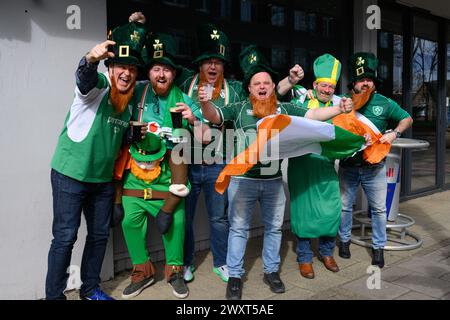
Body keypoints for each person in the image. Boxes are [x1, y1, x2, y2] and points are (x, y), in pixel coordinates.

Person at [198, 45, 354, 300]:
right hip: (242, 180)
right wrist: (204, 102)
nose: (262, 86)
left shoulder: (283, 109)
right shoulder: (238, 109)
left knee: (274, 229)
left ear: (273, 87)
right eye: (257, 83)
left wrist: (339, 109)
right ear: (249, 88)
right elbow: (214, 115)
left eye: (267, 83)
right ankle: (235, 277)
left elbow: (314, 114)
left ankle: (271, 272)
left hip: (272, 183)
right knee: (238, 229)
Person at [46, 22, 146, 300]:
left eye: (132, 69)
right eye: (120, 67)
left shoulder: (127, 100)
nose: (126, 73)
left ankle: (90, 289)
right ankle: (54, 296)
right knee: (65, 238)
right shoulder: (99, 85)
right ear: (110, 69)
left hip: (102, 181)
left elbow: (113, 133)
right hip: (70, 174)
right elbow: (84, 79)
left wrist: (131, 135)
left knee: (100, 236)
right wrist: (90, 59)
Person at [120, 32, 206, 299]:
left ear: (173, 74)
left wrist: (193, 119)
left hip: (171, 174)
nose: (161, 73)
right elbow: (117, 115)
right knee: (129, 223)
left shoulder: (182, 98)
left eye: (167, 69)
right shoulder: (138, 91)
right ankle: (142, 271)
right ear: (150, 71)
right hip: (136, 172)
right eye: (157, 68)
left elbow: (206, 137)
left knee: (177, 222)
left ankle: (175, 272)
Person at [337, 52, 413, 268]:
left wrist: (394, 133)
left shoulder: (385, 102)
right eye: (361, 80)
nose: (366, 83)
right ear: (354, 83)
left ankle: (378, 248)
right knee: (344, 207)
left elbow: (407, 118)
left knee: (379, 209)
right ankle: (343, 242)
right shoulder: (343, 102)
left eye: (369, 79)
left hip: (374, 167)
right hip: (348, 166)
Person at [289, 54, 344, 279]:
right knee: (303, 210)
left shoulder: (341, 105)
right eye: (323, 85)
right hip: (302, 165)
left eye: (331, 86)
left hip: (326, 166)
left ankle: (326, 252)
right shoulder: (301, 100)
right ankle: (304, 257)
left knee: (331, 209)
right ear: (315, 85)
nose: (327, 90)